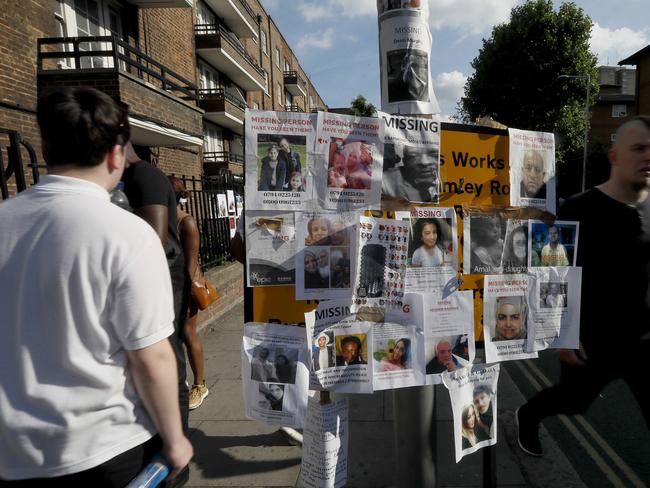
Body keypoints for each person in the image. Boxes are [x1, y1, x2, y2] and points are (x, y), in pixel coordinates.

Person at [0, 86, 192, 485]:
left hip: (12, 453)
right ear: (116, 154)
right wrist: (175, 441)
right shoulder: (127, 234)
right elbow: (151, 358)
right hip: (104, 450)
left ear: (47, 148)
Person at [516, 116, 650, 457]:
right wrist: (561, 335)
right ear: (615, 157)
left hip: (643, 338)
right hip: (594, 339)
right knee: (573, 402)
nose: (648, 156)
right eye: (639, 148)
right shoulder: (578, 208)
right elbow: (548, 273)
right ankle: (528, 414)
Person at [168, 176, 209, 411]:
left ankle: (199, 385)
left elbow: (191, 263)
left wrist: (180, 294)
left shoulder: (187, 222)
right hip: (167, 285)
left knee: (187, 332)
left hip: (185, 286)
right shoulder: (162, 218)